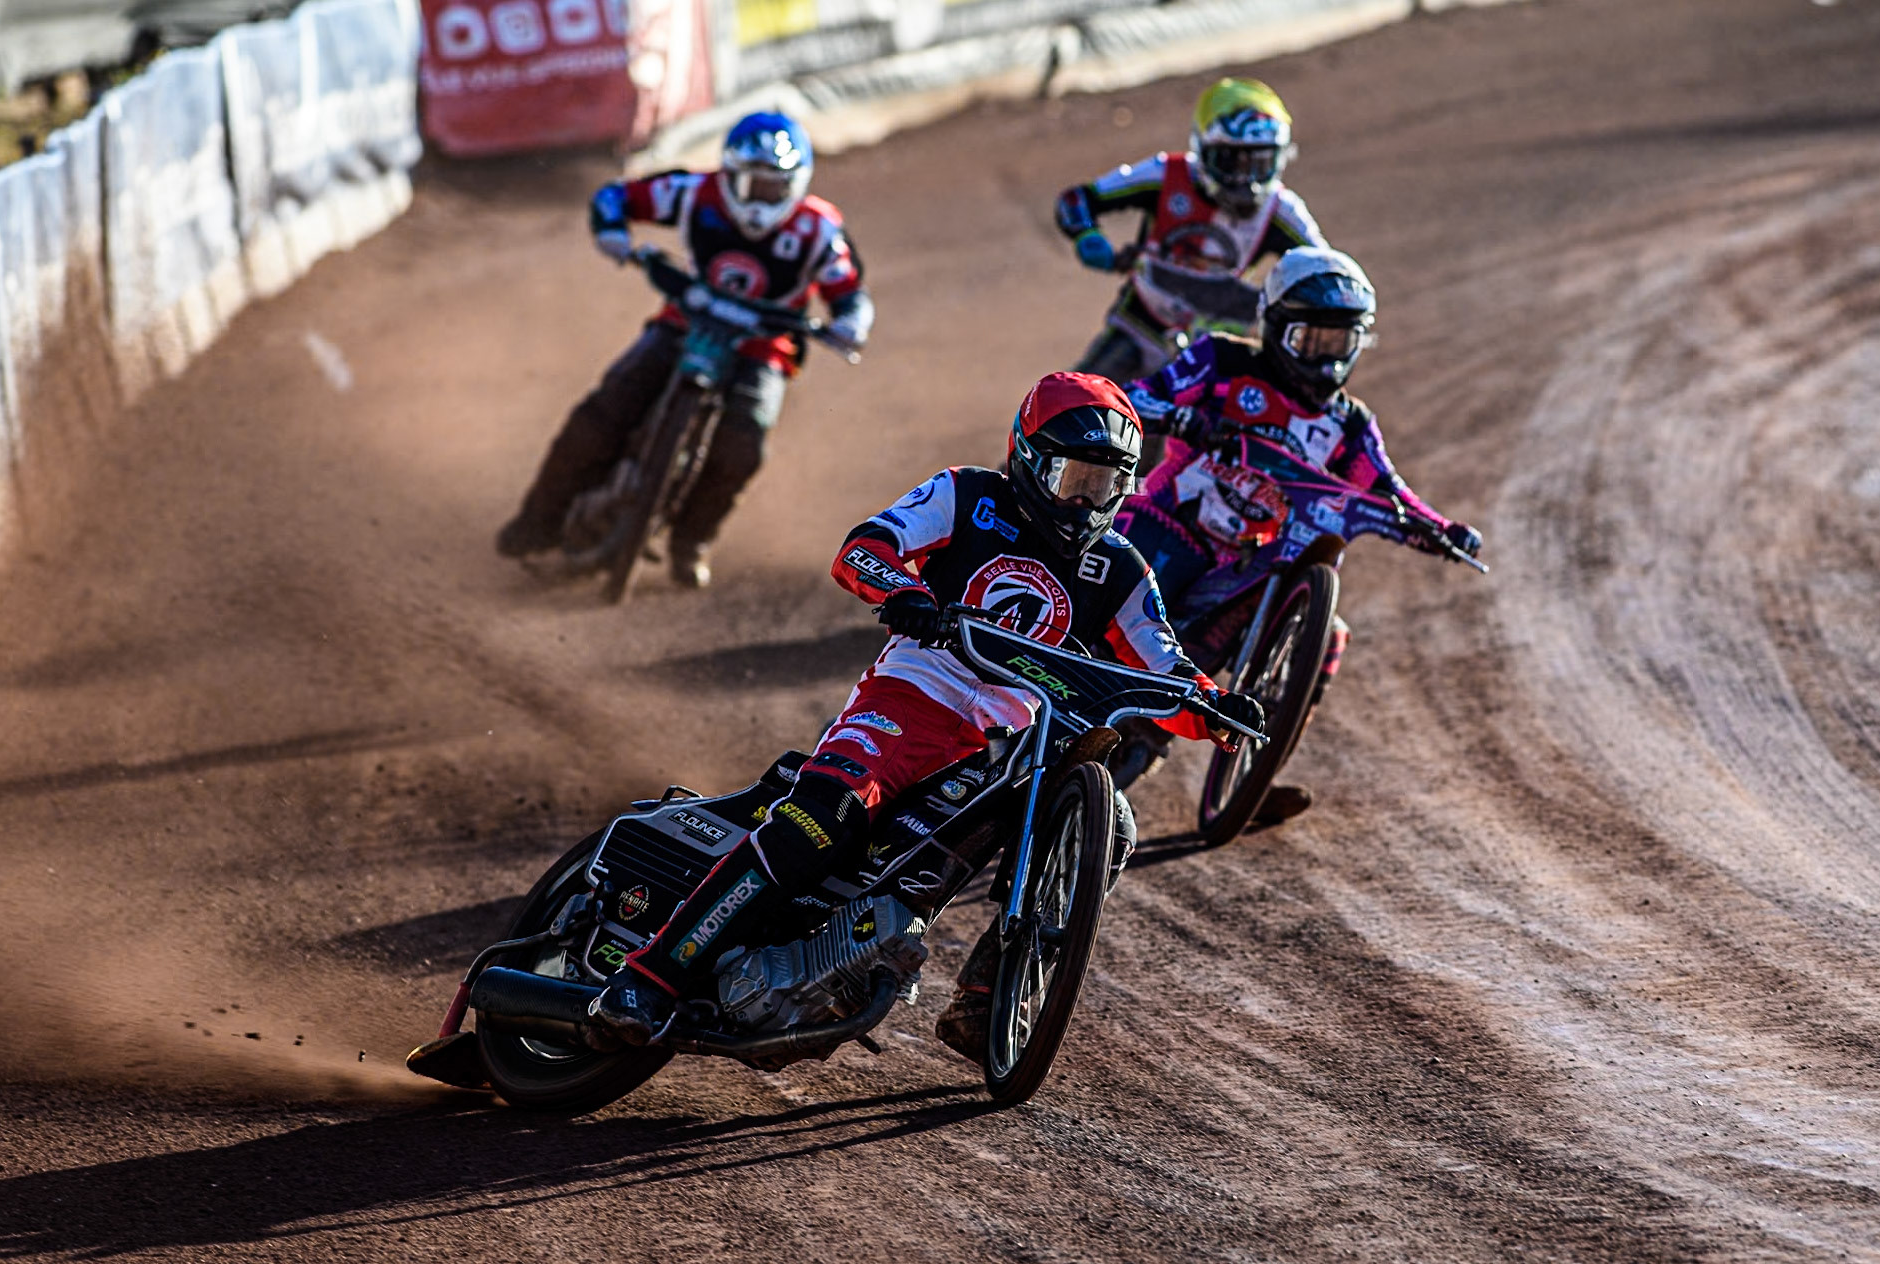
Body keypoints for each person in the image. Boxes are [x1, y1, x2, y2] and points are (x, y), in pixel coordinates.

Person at [586, 371, 1264, 1063]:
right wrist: (902, 591)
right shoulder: (967, 494)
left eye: (1104, 482)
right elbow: (863, 549)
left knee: (1104, 824)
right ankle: (648, 977)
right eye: (1072, 477)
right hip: (913, 696)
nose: (1086, 498)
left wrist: (1214, 711)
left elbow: (1166, 666)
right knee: (824, 816)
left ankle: (984, 1001)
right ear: (1027, 457)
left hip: (1003, 742)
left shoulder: (1119, 568)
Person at [1110, 247, 1482, 808]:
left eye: (1341, 343)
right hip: (1168, 519)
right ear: (1275, 327)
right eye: (1312, 341)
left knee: (1328, 635)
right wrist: (1179, 415)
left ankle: (1255, 776)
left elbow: (1385, 488)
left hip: (1252, 563)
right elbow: (1133, 398)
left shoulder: (1347, 423)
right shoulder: (1220, 360)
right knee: (1110, 582)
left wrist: (1442, 528)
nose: (1326, 360)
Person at [495, 111, 875, 588]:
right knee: (602, 411)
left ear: (796, 185)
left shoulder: (818, 230)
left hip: (764, 345)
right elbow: (614, 196)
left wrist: (850, 323)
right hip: (685, 320)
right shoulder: (694, 192)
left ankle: (692, 539)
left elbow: (850, 293)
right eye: (753, 185)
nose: (761, 200)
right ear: (729, 174)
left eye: (774, 188)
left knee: (744, 447)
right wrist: (612, 232)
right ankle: (538, 519)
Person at [1056, 77, 1327, 387]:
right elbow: (1075, 200)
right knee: (1080, 399)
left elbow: (1327, 272)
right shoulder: (1165, 175)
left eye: (1259, 163)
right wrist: (1088, 237)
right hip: (1141, 323)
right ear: (1204, 150)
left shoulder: (1282, 211)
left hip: (1213, 346)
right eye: (1232, 161)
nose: (1245, 179)